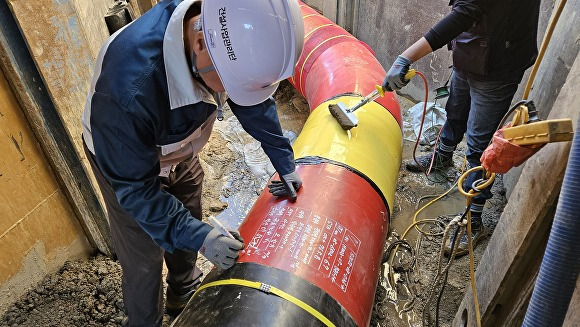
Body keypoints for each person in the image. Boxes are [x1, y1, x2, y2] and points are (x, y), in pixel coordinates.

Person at [81, 0, 304, 325]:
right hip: (123, 161)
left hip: (175, 140)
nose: (230, 95)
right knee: (143, 255)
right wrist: (201, 238)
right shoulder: (125, 96)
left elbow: (251, 100)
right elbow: (138, 193)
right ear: (200, 44)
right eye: (230, 85)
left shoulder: (217, 33)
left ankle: (182, 291)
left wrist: (285, 161)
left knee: (189, 204)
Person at [383, 0, 541, 256]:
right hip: (472, 47)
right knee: (455, 110)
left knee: (479, 145)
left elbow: (464, 13)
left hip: (498, 63)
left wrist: (406, 57)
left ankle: (473, 220)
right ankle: (441, 158)